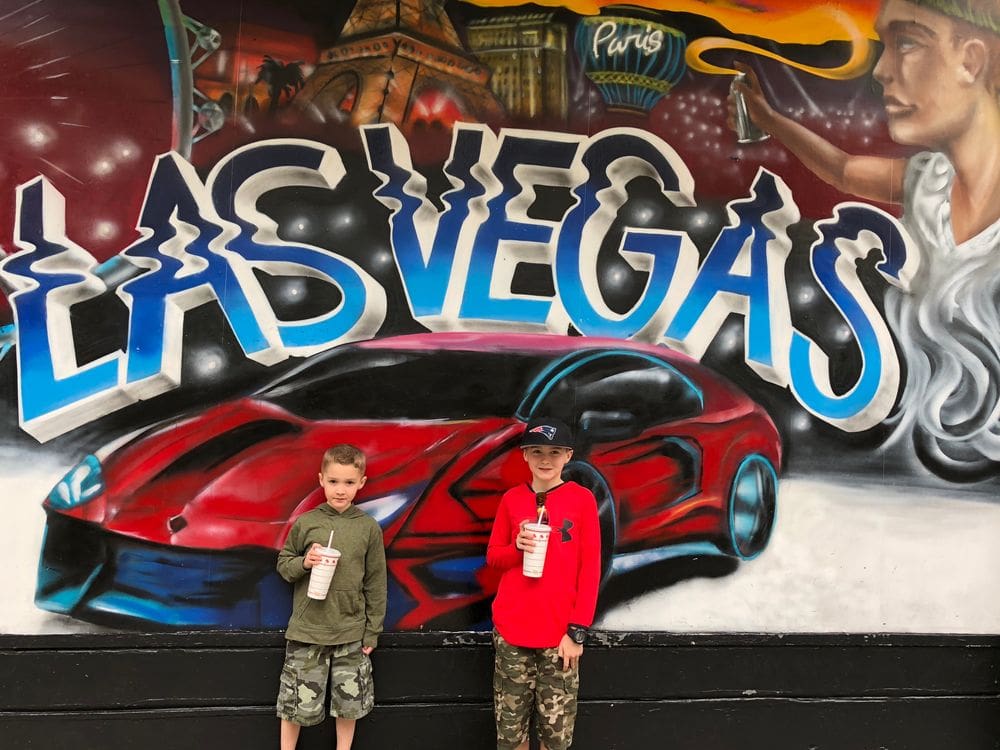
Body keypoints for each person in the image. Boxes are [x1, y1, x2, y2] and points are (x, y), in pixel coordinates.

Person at [729, 0, 1000, 474]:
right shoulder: (926, 181)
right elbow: (843, 168)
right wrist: (769, 120)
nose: (880, 71)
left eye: (907, 42)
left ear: (971, 60)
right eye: (883, 46)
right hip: (921, 465)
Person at [486, 418, 602, 750]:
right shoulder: (511, 500)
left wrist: (577, 630)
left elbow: (590, 568)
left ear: (568, 456)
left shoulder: (581, 500)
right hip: (513, 633)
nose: (545, 460)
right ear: (524, 455)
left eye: (554, 452)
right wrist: (516, 549)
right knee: (511, 734)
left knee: (556, 734)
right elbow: (494, 558)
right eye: (536, 451)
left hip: (559, 637)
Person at [275, 444, 387, 750]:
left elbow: (377, 582)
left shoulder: (367, 528)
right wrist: (305, 562)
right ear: (321, 479)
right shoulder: (306, 523)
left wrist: (372, 630)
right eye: (334, 481)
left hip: (351, 632)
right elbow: (284, 566)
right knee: (295, 700)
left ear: (361, 483)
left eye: (349, 483)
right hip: (308, 630)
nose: (341, 490)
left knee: (348, 701)